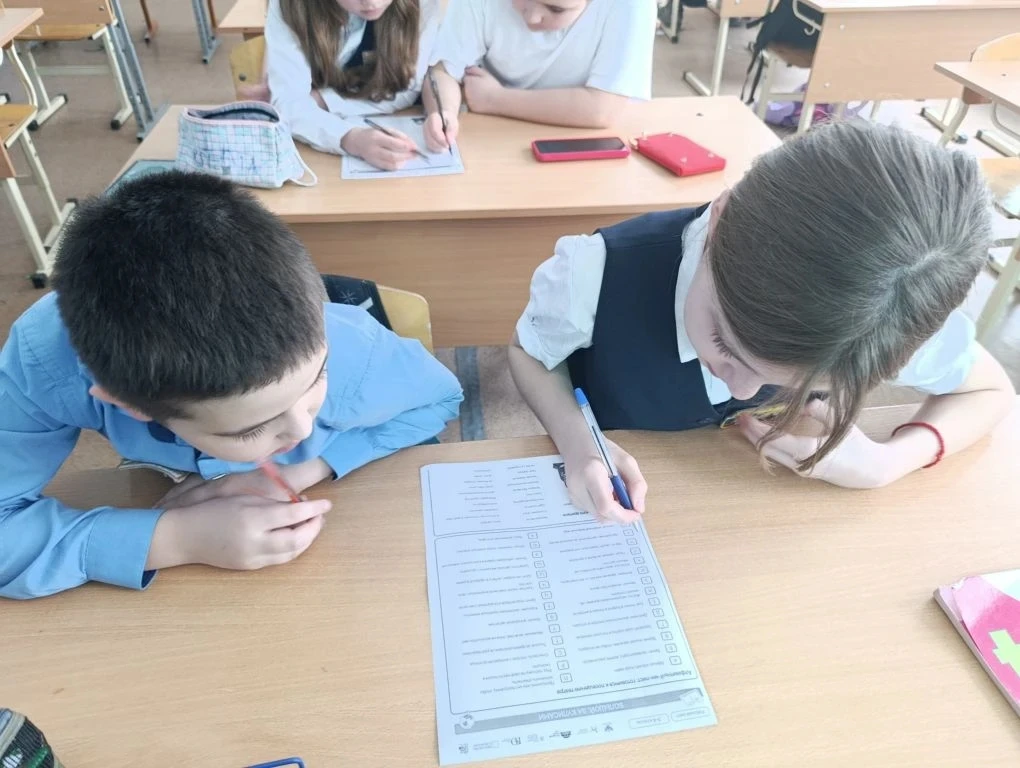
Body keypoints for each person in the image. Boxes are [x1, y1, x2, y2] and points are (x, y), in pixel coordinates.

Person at [508, 121, 1015, 523]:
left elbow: (990, 392)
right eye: (724, 344)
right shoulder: (595, 272)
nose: (743, 389)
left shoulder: (889, 310)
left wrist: (889, 462)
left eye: (798, 382)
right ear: (719, 221)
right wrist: (576, 442)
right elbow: (529, 353)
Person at [0, 171, 463, 600]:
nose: (303, 429)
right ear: (128, 405)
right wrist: (175, 538)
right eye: (249, 430)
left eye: (318, 377)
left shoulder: (339, 338)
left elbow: (437, 398)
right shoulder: (43, 363)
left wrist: (310, 468)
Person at [423, 0, 657, 152]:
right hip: (493, 141)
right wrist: (443, 112)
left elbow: (602, 110)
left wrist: (495, 99)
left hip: (581, 144)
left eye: (556, 9)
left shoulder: (632, 5)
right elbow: (442, 70)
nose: (533, 18)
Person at [267, 0, 441, 170]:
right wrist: (350, 138)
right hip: (318, 163)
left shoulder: (424, 3)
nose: (371, 3)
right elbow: (288, 103)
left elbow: (408, 86)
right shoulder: (291, 5)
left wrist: (325, 100)